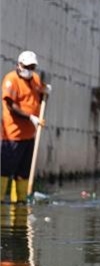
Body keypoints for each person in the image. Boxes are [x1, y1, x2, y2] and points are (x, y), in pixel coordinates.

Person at [1, 51, 50, 204]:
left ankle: (20, 201)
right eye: (27, 66)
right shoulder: (11, 80)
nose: (30, 70)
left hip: (29, 136)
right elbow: (11, 105)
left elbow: (40, 93)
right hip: (12, 135)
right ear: (19, 65)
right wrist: (30, 117)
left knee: (23, 173)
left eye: (32, 67)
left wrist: (45, 91)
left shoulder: (34, 79)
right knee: (4, 170)